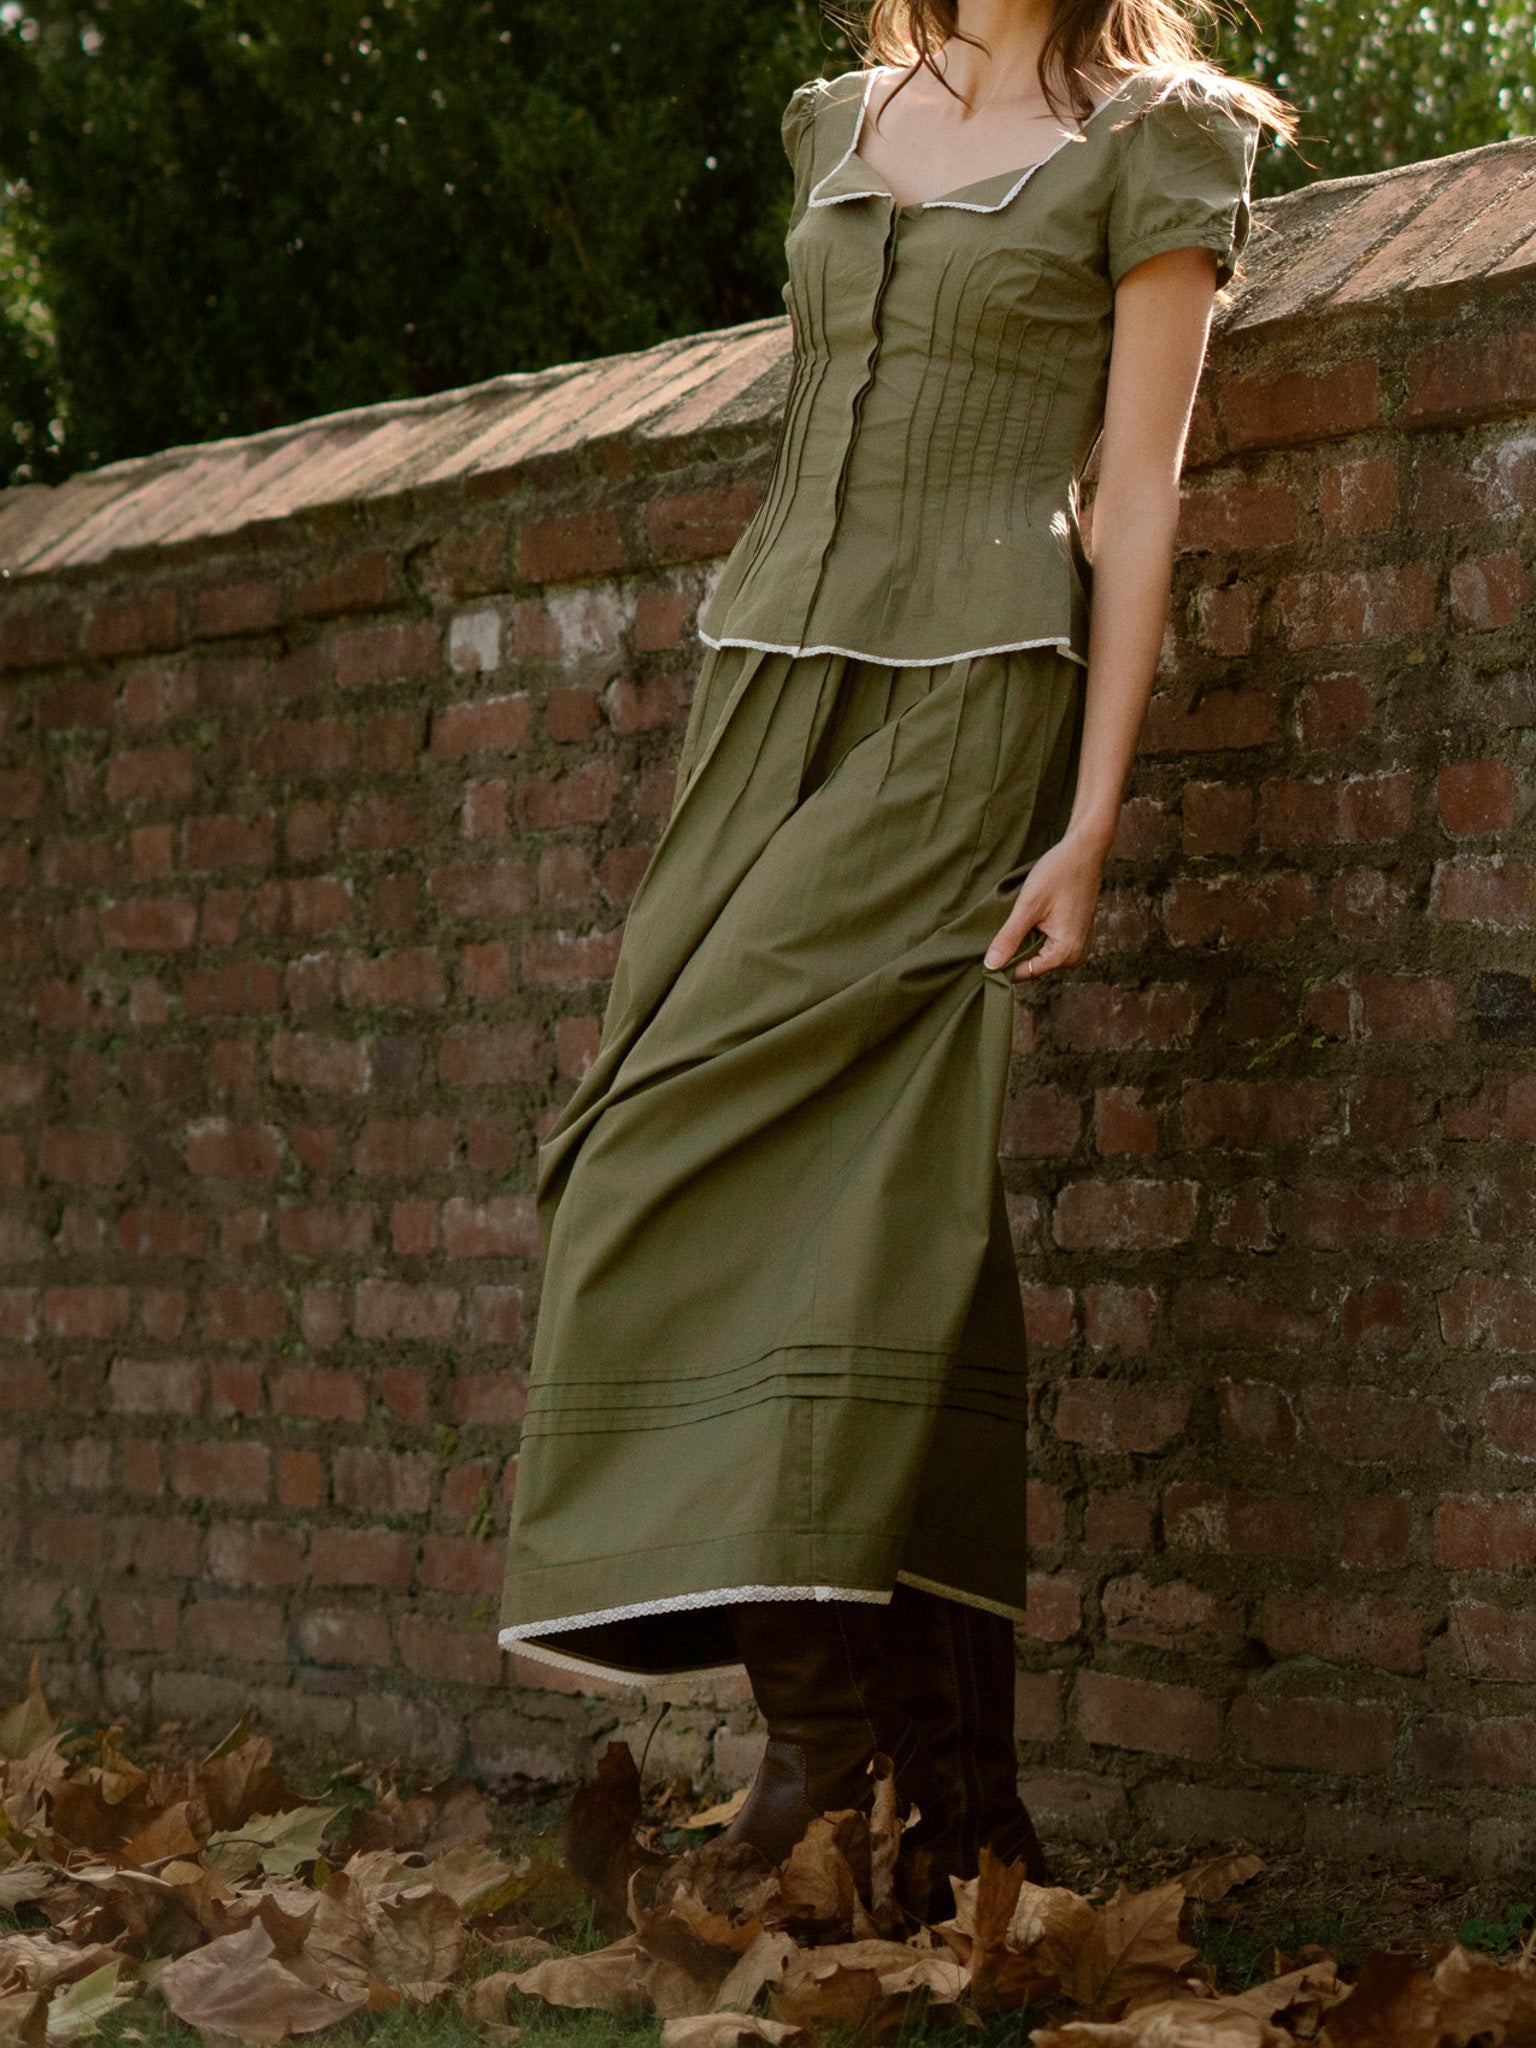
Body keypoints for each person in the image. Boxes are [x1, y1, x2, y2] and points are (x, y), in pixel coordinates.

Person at [499, 0, 1293, 1911]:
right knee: (894, 1207)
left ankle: (819, 1769)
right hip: (767, 687)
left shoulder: (1162, 135)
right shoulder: (836, 115)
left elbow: (1139, 485)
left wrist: (1090, 820)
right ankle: (956, 1815)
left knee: (646, 1152)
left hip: (969, 706)